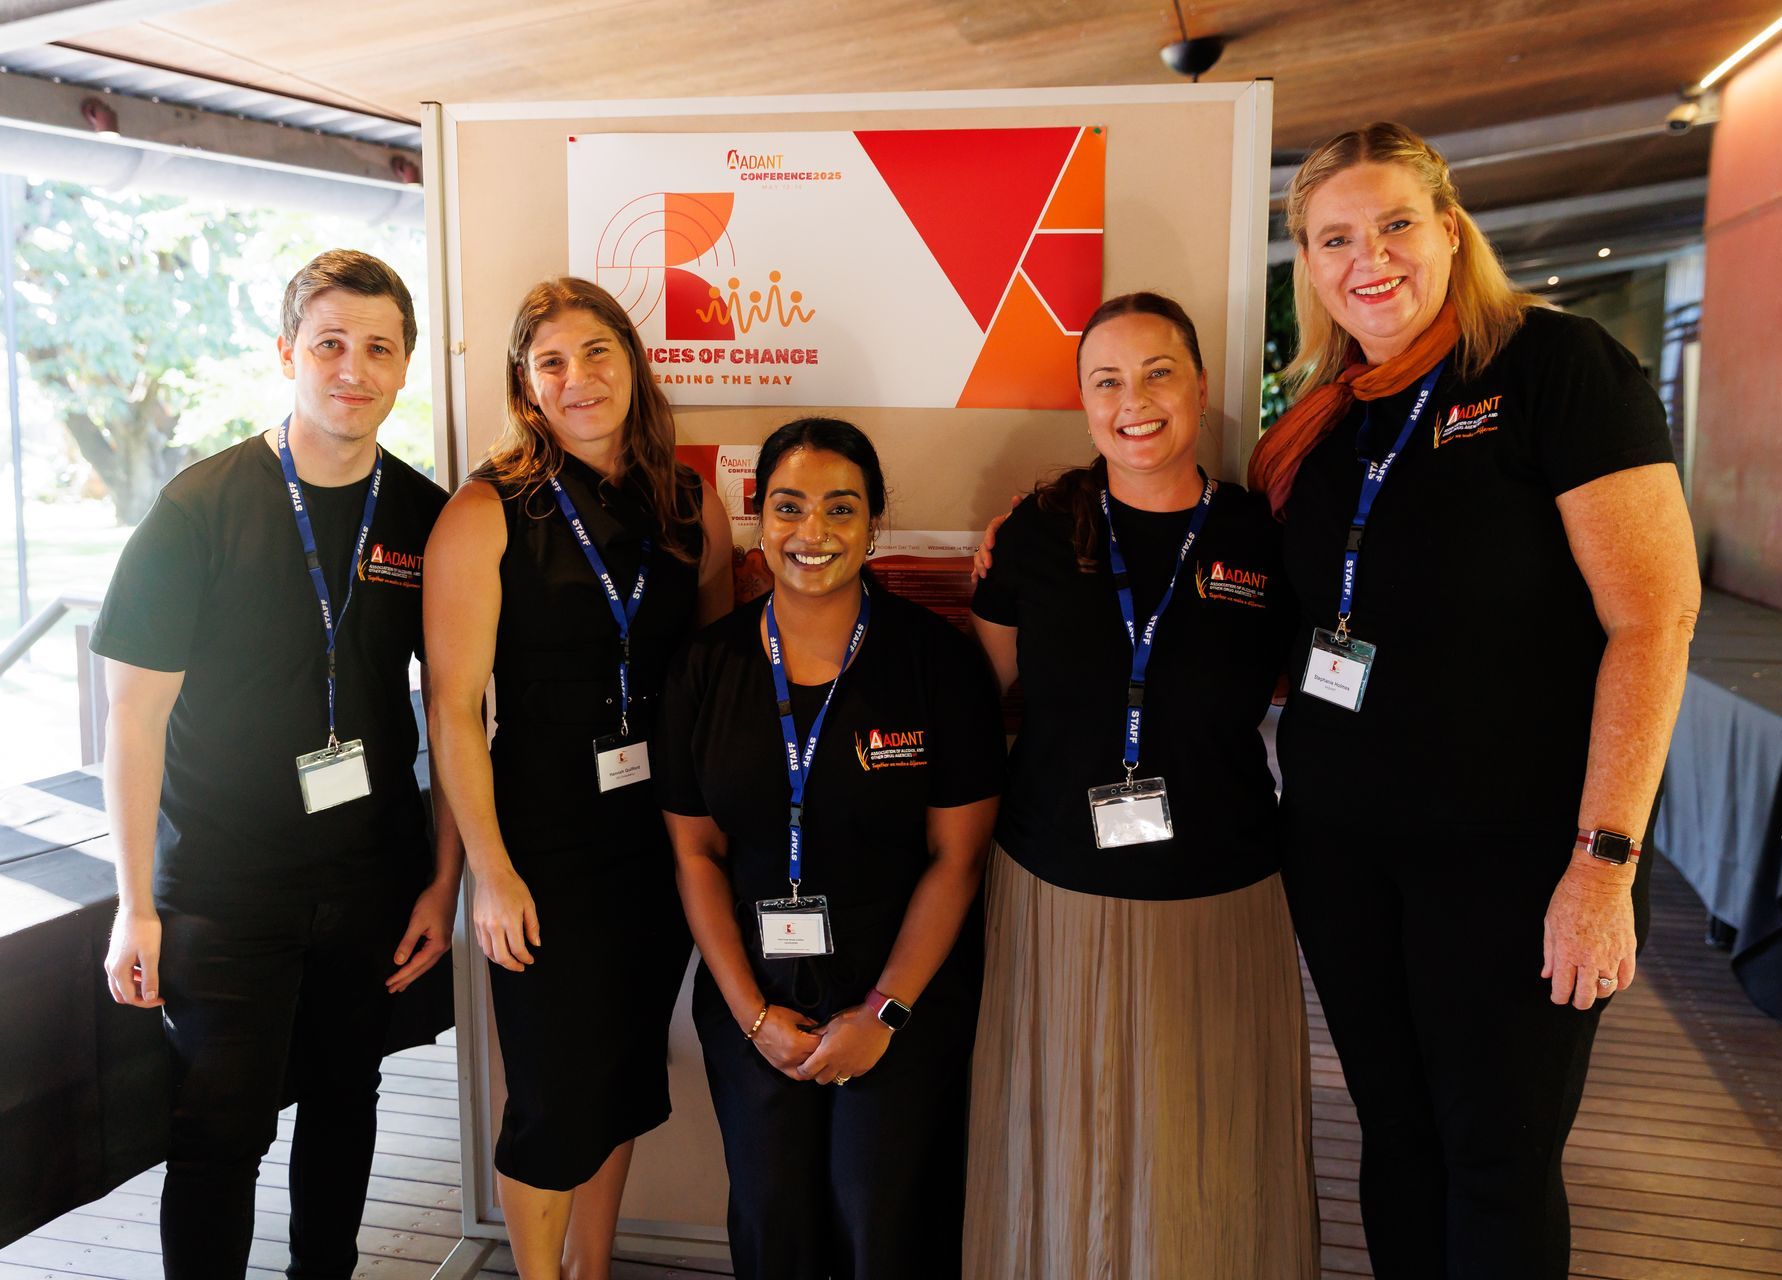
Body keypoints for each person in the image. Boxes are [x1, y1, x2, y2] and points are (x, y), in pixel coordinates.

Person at [1250, 122, 1700, 1278]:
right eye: (1335, 237)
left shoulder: (1559, 369)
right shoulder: (1329, 418)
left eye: (1396, 223)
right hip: (1347, 857)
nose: (1371, 258)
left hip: (1519, 862)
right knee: (1397, 1141)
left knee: (1495, 1161)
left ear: (1450, 230)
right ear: (1310, 260)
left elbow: (1653, 621)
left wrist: (1604, 866)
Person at [95, 249, 461, 1279]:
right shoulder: (200, 507)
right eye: (331, 342)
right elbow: (131, 718)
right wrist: (134, 902)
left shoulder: (424, 518)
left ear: (403, 368)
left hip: (370, 878)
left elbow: (458, 708)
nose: (354, 367)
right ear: (288, 353)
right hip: (223, 881)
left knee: (348, 1105)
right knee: (222, 1127)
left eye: (378, 347)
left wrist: (442, 879)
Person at [962, 293, 1318, 1277]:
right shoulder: (1036, 530)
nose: (1135, 401)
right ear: (1082, 402)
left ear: (1201, 387)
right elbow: (977, 700)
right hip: (1050, 884)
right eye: (1106, 380)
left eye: (1159, 372)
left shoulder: (1262, 534)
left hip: (1225, 885)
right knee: (1065, 1131)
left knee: (1208, 1141)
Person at [423, 277, 732, 1280]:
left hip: (658, 842)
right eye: (551, 359)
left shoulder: (688, 501)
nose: (578, 377)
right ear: (525, 381)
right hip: (542, 844)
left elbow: (714, 670)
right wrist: (489, 870)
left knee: (621, 1077)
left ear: (633, 361)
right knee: (554, 1094)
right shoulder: (487, 509)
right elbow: (455, 710)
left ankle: (590, 1271)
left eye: (596, 351)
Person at [656, 419, 1003, 1280]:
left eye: (840, 509)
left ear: (873, 522)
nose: (812, 533)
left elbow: (956, 860)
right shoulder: (706, 667)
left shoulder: (935, 663)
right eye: (789, 507)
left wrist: (883, 1013)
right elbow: (695, 856)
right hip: (755, 994)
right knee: (774, 1225)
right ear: (758, 518)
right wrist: (753, 1017)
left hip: (900, 990)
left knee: (880, 1221)